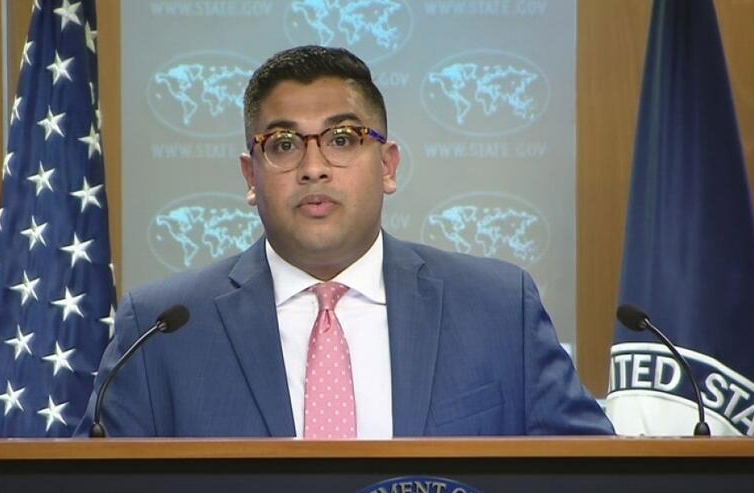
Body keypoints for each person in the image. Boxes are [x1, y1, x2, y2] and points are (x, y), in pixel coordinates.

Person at [76, 45, 613, 438]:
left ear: (388, 166)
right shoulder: (160, 331)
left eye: (342, 139)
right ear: (250, 175)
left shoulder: (497, 308)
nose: (313, 167)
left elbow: (591, 484)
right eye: (283, 144)